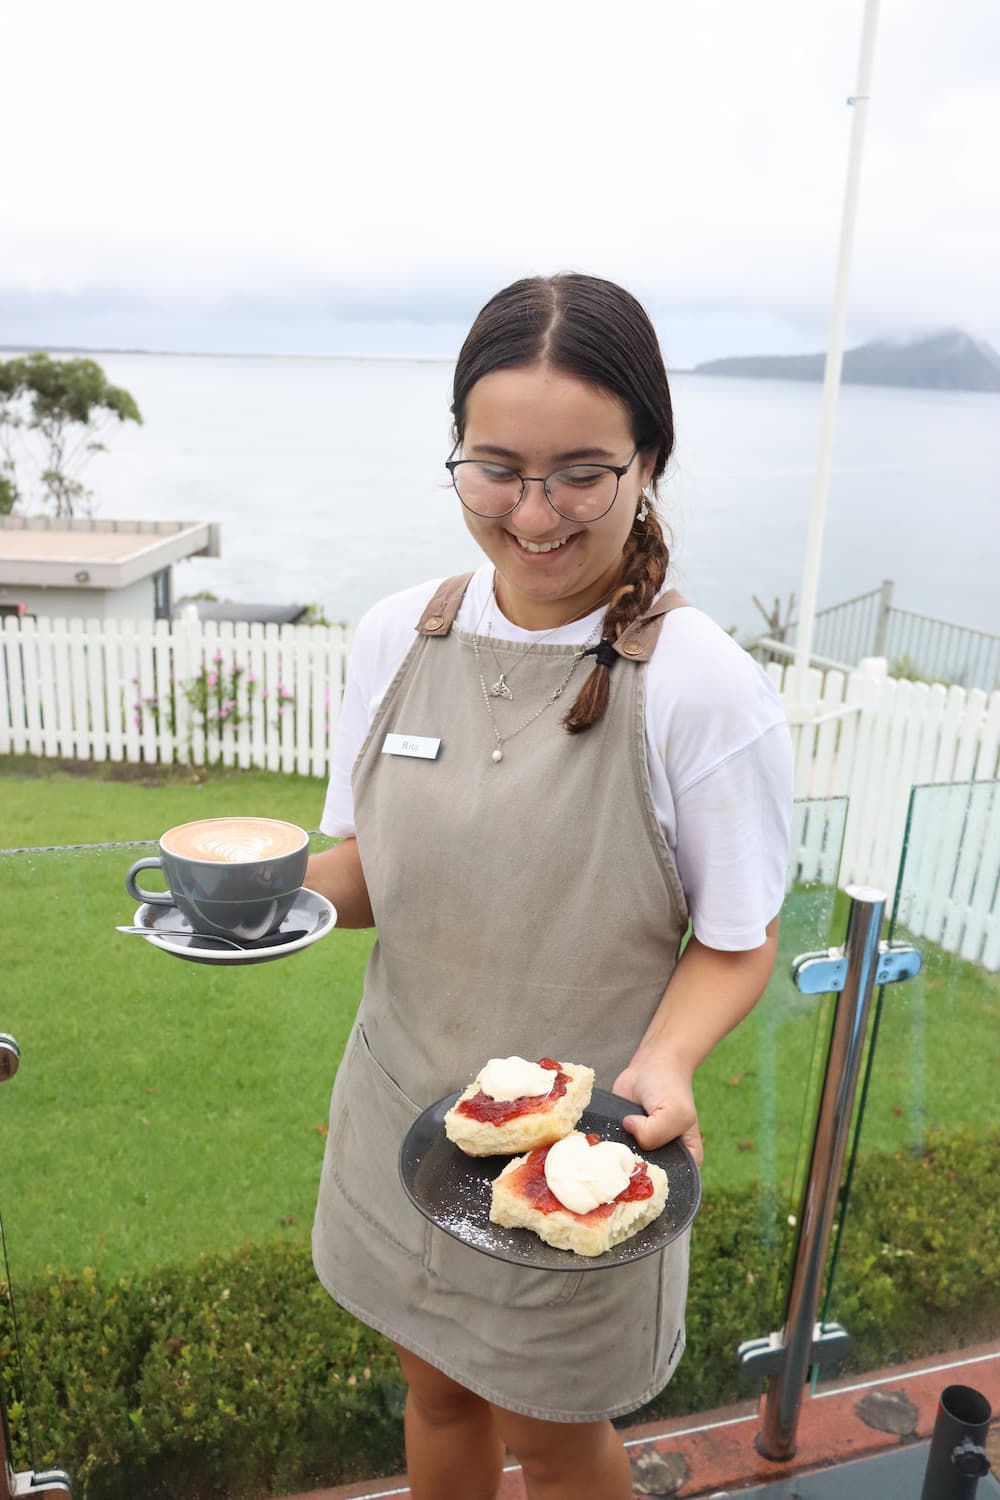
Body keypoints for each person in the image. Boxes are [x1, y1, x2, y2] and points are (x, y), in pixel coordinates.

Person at [304, 272, 794, 1500]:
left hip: (587, 1156)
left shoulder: (699, 687)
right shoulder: (395, 636)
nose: (533, 512)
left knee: (552, 1432)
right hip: (397, 1111)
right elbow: (367, 869)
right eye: (494, 467)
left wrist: (668, 1063)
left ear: (647, 463)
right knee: (433, 1391)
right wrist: (258, 898)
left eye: (581, 471)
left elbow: (738, 940)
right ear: (455, 457)